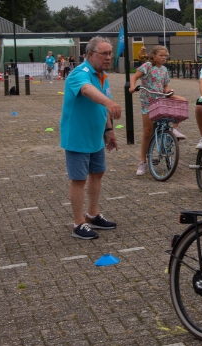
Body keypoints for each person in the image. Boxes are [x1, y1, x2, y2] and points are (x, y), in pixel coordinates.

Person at [60, 36, 121, 240]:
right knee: (78, 179)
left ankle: (93, 214)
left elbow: (100, 107)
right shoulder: (80, 74)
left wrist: (109, 131)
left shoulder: (103, 76)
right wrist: (109, 103)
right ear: (90, 55)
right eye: (103, 53)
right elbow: (87, 91)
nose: (108, 57)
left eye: (110, 53)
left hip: (96, 136)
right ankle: (78, 223)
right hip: (78, 137)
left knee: (97, 174)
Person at [129, 45, 187, 176]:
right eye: (161, 55)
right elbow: (134, 77)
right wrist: (132, 87)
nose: (164, 58)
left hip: (161, 100)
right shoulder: (148, 66)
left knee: (182, 101)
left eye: (166, 56)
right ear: (154, 56)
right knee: (147, 132)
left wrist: (168, 91)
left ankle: (175, 128)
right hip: (148, 101)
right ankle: (143, 162)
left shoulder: (164, 70)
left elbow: (165, 85)